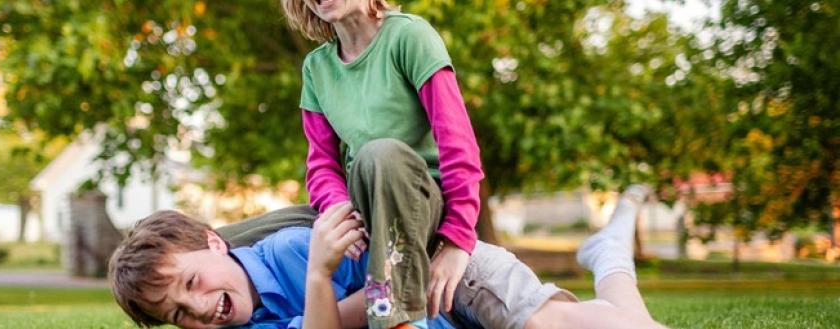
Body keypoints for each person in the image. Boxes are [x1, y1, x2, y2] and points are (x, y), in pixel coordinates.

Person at [107, 183, 669, 329]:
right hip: (440, 319)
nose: (200, 308)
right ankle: (611, 251)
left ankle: (611, 249)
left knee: (555, 321)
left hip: (449, 273)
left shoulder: (297, 249)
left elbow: (391, 290)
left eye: (191, 284)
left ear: (213, 242)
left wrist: (320, 286)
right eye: (179, 315)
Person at [283, 0, 485, 327]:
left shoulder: (410, 36)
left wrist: (458, 241)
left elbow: (457, 143)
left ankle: (396, 321)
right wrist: (340, 211)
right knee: (248, 233)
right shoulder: (315, 68)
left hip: (424, 200)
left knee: (380, 154)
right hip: (365, 202)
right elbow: (321, 164)